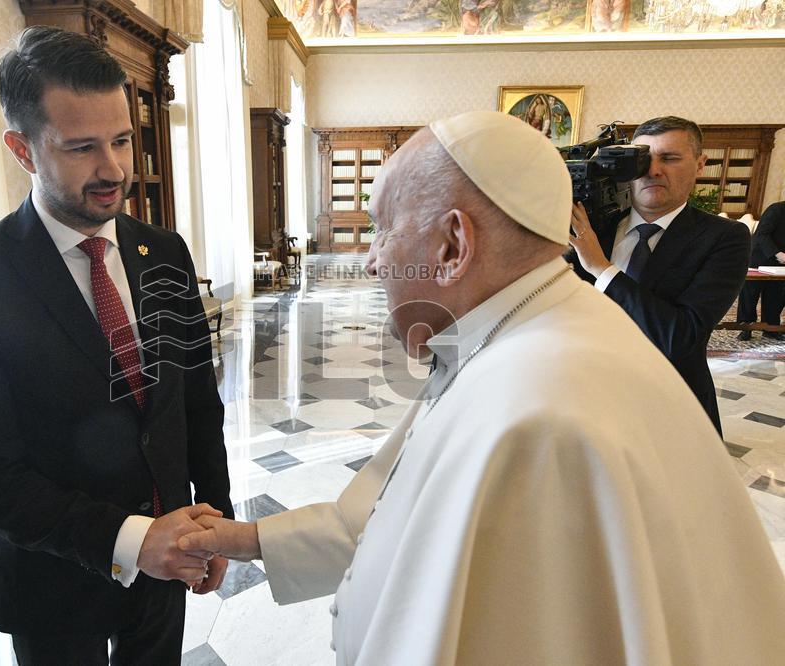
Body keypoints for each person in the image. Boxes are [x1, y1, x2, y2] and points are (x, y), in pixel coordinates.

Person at [177, 111, 785, 664]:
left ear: (453, 246)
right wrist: (250, 538)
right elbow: (394, 514)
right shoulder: (513, 333)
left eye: (383, 230)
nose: (371, 261)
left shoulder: (536, 416)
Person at [0, 27, 232, 665]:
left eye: (122, 140)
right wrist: (131, 539)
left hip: (166, 568)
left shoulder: (164, 251)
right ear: (23, 150)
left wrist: (217, 519)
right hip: (53, 588)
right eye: (82, 147)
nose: (113, 169)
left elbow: (196, 402)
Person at [569, 116, 750, 436]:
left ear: (700, 164)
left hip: (669, 410)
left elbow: (681, 337)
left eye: (669, 158)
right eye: (642, 160)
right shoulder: (591, 228)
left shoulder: (724, 237)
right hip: (587, 400)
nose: (652, 171)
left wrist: (602, 269)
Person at [737, 201, 785, 341]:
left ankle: (770, 329)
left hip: (780, 264)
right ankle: (746, 328)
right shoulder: (776, 209)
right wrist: (777, 253)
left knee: (776, 296)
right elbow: (762, 235)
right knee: (750, 295)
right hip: (759, 258)